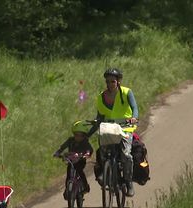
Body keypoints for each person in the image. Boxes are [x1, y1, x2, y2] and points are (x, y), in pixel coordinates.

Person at [88, 67, 139, 197]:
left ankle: (128, 182)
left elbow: (134, 108)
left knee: (125, 155)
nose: (110, 84)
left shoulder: (127, 92)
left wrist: (134, 118)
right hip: (108, 128)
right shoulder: (101, 97)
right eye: (108, 81)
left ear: (118, 82)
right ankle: (106, 174)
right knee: (103, 153)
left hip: (125, 128)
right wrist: (89, 131)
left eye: (113, 81)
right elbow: (99, 116)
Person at [54, 121, 94, 198]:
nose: (78, 137)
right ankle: (67, 189)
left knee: (79, 170)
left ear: (84, 136)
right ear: (73, 134)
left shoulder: (85, 142)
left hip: (81, 161)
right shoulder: (70, 140)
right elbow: (62, 147)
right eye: (76, 135)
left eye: (81, 135)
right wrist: (58, 152)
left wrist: (87, 154)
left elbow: (89, 149)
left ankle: (85, 186)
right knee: (69, 175)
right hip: (71, 161)